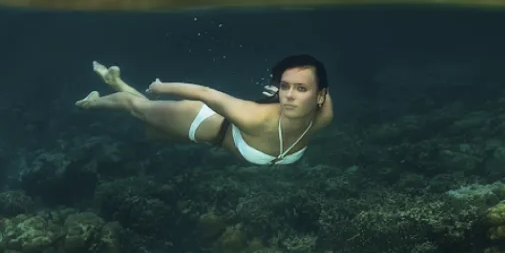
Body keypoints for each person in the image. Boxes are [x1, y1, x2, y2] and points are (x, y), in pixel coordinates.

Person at [75, 53, 333, 165]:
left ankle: (116, 82)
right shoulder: (255, 118)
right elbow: (206, 93)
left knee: (150, 127)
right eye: (285, 87)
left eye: (300, 89)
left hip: (214, 137)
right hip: (201, 121)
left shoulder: (323, 117)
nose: (289, 96)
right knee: (139, 109)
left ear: (320, 96)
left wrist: (284, 88)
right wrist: (162, 86)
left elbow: (320, 82)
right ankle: (92, 102)